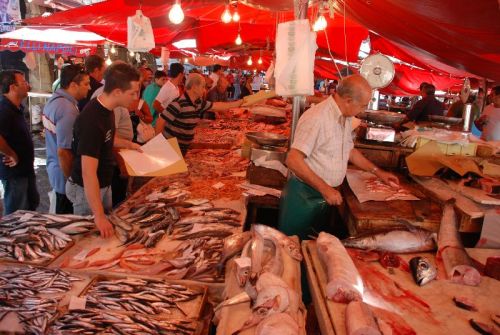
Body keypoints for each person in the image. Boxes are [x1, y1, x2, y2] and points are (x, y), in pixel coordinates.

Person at [278, 75, 399, 240]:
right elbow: (293, 159)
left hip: (322, 197)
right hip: (304, 197)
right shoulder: (317, 117)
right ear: (348, 100)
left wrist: (378, 172)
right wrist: (325, 188)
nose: (362, 110)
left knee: (312, 248)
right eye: (362, 105)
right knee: (293, 249)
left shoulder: (345, 117)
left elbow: (349, 150)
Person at [66, 63, 141, 238]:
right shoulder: (92, 120)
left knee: (104, 238)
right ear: (117, 92)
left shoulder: (109, 109)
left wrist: (129, 145)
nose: (136, 97)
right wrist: (98, 215)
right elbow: (88, 172)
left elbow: (106, 137)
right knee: (87, 241)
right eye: (132, 93)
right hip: (87, 191)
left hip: (103, 184)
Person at [43, 65, 90, 214]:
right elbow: (63, 151)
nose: (89, 88)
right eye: (86, 84)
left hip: (55, 169)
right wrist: (72, 182)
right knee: (66, 220)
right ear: (73, 85)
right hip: (63, 175)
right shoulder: (67, 109)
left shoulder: (55, 100)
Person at [159, 73, 244, 154]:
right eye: (203, 87)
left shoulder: (198, 103)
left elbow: (216, 105)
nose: (204, 90)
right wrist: (158, 145)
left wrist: (237, 103)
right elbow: (160, 122)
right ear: (194, 87)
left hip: (183, 147)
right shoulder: (178, 103)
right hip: (172, 149)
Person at [0, 70, 39, 215]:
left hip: (25, 171)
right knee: (17, 216)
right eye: (24, 83)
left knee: (30, 209)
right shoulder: (4, 109)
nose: (28, 86)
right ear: (13, 87)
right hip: (15, 175)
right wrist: (11, 154)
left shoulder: (17, 107)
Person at [153, 63, 184, 130]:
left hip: (172, 124)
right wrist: (167, 115)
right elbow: (155, 104)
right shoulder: (167, 87)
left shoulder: (176, 86)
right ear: (180, 74)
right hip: (165, 124)